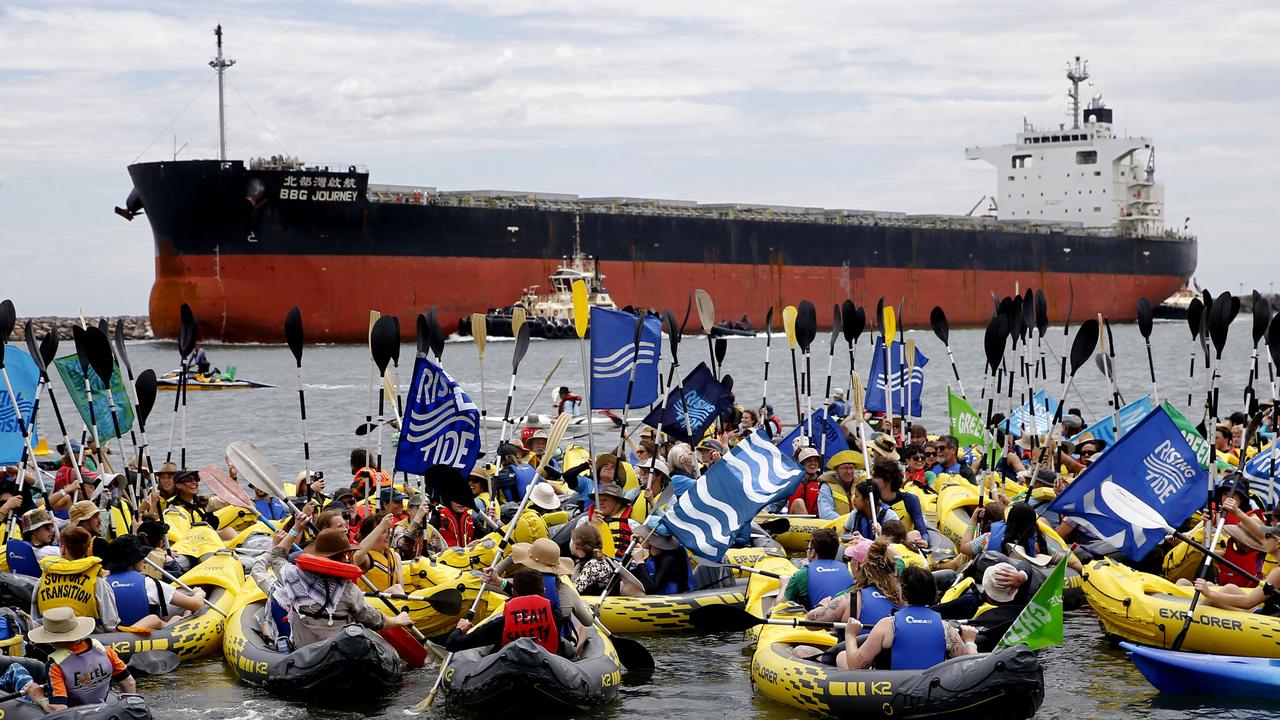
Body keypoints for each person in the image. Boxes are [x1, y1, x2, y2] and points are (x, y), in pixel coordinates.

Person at [268, 525, 412, 648]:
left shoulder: (292, 576)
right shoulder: (348, 590)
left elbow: (276, 556)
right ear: (345, 556)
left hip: (304, 653)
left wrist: (296, 528)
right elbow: (373, 619)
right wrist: (398, 620)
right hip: (339, 650)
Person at [837, 566, 977, 670]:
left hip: (891, 694)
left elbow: (856, 666)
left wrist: (850, 635)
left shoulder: (887, 625)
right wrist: (970, 641)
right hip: (929, 694)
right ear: (933, 594)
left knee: (841, 656)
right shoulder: (946, 628)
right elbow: (970, 667)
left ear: (903, 594)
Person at [446, 569, 575, 658]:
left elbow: (452, 644)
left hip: (509, 675)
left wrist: (460, 629)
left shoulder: (500, 624)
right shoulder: (556, 617)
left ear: (513, 593)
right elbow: (564, 606)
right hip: (548, 674)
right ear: (543, 592)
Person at [27, 607, 136, 711]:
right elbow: (129, 682)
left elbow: (59, 709)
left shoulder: (55, 665)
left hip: (79, 714)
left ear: (51, 640)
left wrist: (39, 698)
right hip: (105, 709)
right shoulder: (105, 650)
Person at [102, 534, 205, 630]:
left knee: (174, 617)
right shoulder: (148, 583)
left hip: (114, 638)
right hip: (144, 637)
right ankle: (183, 617)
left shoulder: (103, 583)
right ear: (133, 560)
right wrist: (199, 593)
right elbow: (196, 604)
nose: (145, 560)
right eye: (141, 556)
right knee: (175, 616)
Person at [32, 526, 120, 631]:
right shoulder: (97, 583)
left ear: (63, 548)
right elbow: (111, 624)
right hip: (87, 640)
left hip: (50, 641)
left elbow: (35, 621)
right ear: (87, 550)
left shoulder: (42, 581)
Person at [807, 538, 904, 629]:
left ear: (857, 566)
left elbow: (810, 623)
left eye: (850, 559)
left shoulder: (849, 599)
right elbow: (899, 558)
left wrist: (822, 606)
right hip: (892, 646)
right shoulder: (905, 596)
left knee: (802, 648)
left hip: (856, 645)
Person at [784, 529, 853, 610]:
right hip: (845, 619)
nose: (807, 551)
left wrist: (784, 584)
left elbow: (779, 605)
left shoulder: (802, 574)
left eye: (808, 548)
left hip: (816, 619)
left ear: (813, 552)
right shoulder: (847, 570)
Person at [869, 458, 930, 547]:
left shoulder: (910, 500)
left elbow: (923, 531)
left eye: (875, 476)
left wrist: (924, 541)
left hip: (903, 548)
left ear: (887, 481)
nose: (871, 479)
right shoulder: (870, 499)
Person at [167, 470, 237, 541]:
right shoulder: (173, 507)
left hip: (205, 538)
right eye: (189, 480)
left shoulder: (201, 501)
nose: (194, 482)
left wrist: (233, 478)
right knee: (229, 533)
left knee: (231, 531)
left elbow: (229, 500)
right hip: (190, 542)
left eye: (196, 479)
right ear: (178, 486)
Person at [626, 522, 693, 595]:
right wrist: (630, 550)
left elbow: (651, 588)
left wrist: (640, 562)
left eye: (643, 535)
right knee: (624, 585)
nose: (640, 537)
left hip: (674, 598)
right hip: (657, 595)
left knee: (628, 589)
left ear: (651, 540)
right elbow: (628, 575)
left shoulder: (669, 559)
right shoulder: (653, 556)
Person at [579, 483, 634, 560]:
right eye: (599, 500)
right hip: (590, 562)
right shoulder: (584, 521)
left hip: (618, 564)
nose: (600, 503)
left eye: (605, 500)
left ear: (618, 503)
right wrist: (591, 526)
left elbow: (645, 548)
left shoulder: (631, 524)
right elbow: (573, 548)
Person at [353, 513, 403, 594]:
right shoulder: (366, 558)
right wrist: (381, 527)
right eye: (383, 532)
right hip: (369, 602)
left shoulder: (395, 556)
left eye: (387, 531)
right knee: (396, 589)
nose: (388, 535)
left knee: (397, 588)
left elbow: (401, 588)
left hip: (390, 602)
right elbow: (358, 554)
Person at [569, 524, 616, 596]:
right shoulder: (585, 561)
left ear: (578, 545)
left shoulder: (594, 564)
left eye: (571, 540)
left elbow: (574, 591)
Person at [816, 450, 861, 521]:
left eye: (851, 468)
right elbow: (825, 513)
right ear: (836, 470)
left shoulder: (860, 484)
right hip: (835, 528)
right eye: (845, 468)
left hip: (858, 527)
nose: (849, 472)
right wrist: (847, 523)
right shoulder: (826, 487)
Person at [785, 447, 825, 515]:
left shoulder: (824, 483)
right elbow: (777, 503)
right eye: (809, 461)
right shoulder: (792, 482)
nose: (813, 463)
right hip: (794, 523)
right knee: (798, 502)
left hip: (817, 523)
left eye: (815, 461)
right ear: (801, 464)